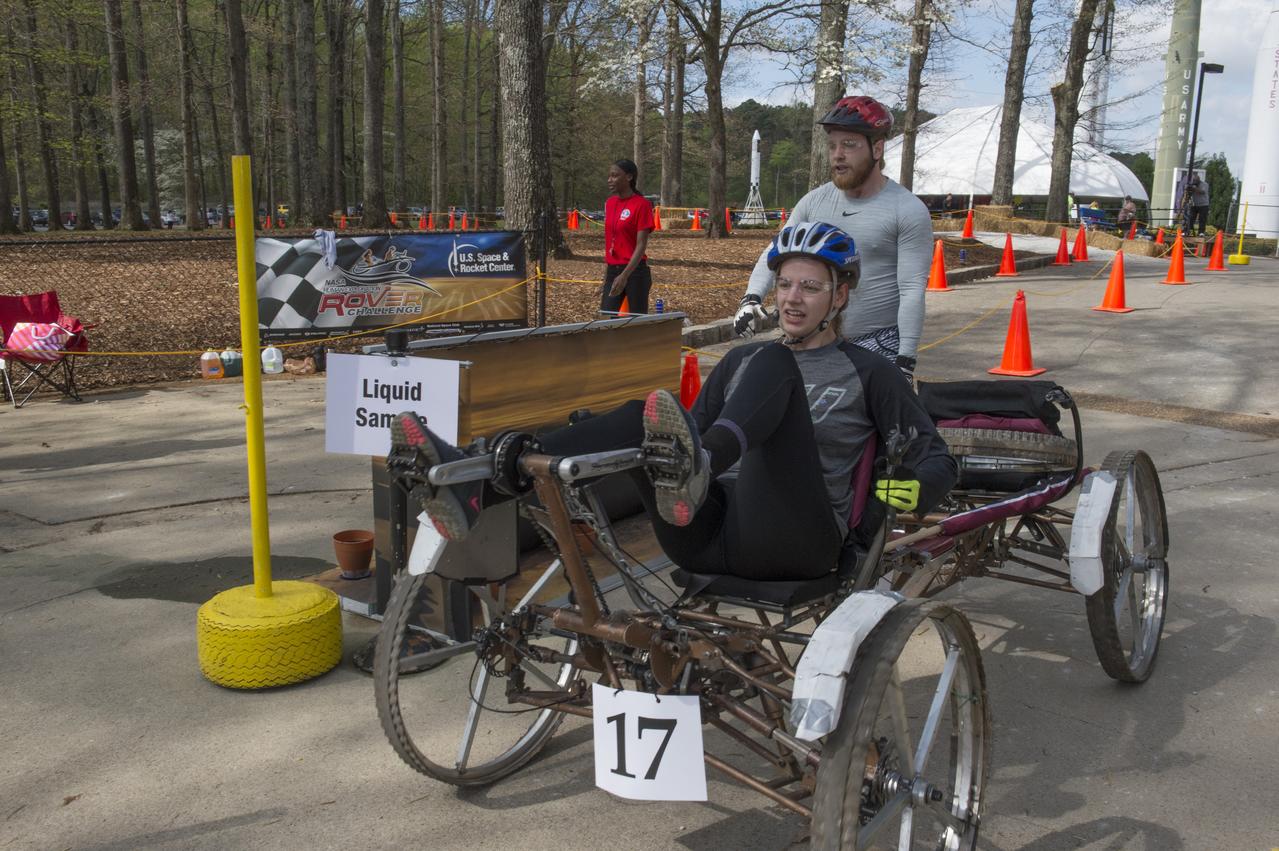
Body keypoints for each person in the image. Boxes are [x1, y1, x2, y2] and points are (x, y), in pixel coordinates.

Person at [387, 222, 957, 582]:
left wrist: (906, 490)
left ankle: (702, 467)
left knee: (770, 363)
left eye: (810, 286)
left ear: (840, 295)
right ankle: (473, 482)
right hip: (702, 538)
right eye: (784, 284)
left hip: (799, 540)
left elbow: (936, 460)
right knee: (646, 412)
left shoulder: (869, 371)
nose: (792, 298)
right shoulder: (740, 364)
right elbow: (678, 435)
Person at [734, 95, 933, 381]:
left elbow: (912, 289)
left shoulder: (907, 210)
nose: (837, 154)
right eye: (832, 146)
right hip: (812, 339)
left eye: (849, 145)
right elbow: (775, 250)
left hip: (878, 343)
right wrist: (751, 298)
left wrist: (906, 359)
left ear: (877, 148)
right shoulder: (814, 202)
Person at [600, 159, 655, 316]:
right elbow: (612, 242)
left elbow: (641, 245)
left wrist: (625, 275)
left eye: (615, 176)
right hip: (613, 270)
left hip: (635, 271)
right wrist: (607, 278)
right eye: (609, 176)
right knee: (606, 319)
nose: (609, 180)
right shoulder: (610, 203)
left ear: (629, 177)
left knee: (636, 323)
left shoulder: (642, 204)